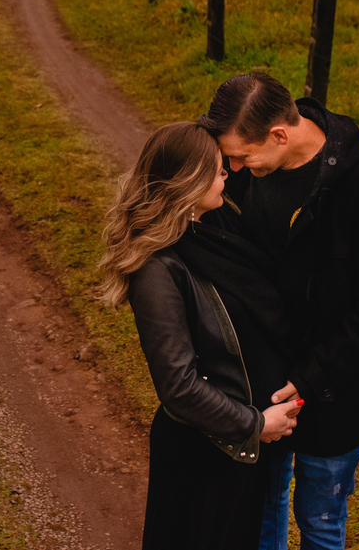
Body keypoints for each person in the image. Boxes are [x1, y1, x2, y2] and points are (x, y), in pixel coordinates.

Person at [196, 72, 359, 550]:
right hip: (261, 389)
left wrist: (314, 376)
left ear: (279, 135)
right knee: (260, 511)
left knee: (320, 522)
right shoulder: (245, 175)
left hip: (336, 396)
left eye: (240, 155)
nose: (230, 167)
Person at [99, 122, 304, 550]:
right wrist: (254, 424)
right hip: (201, 457)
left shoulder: (213, 231)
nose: (227, 175)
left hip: (236, 455)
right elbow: (178, 386)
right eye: (215, 170)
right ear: (187, 183)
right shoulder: (156, 269)